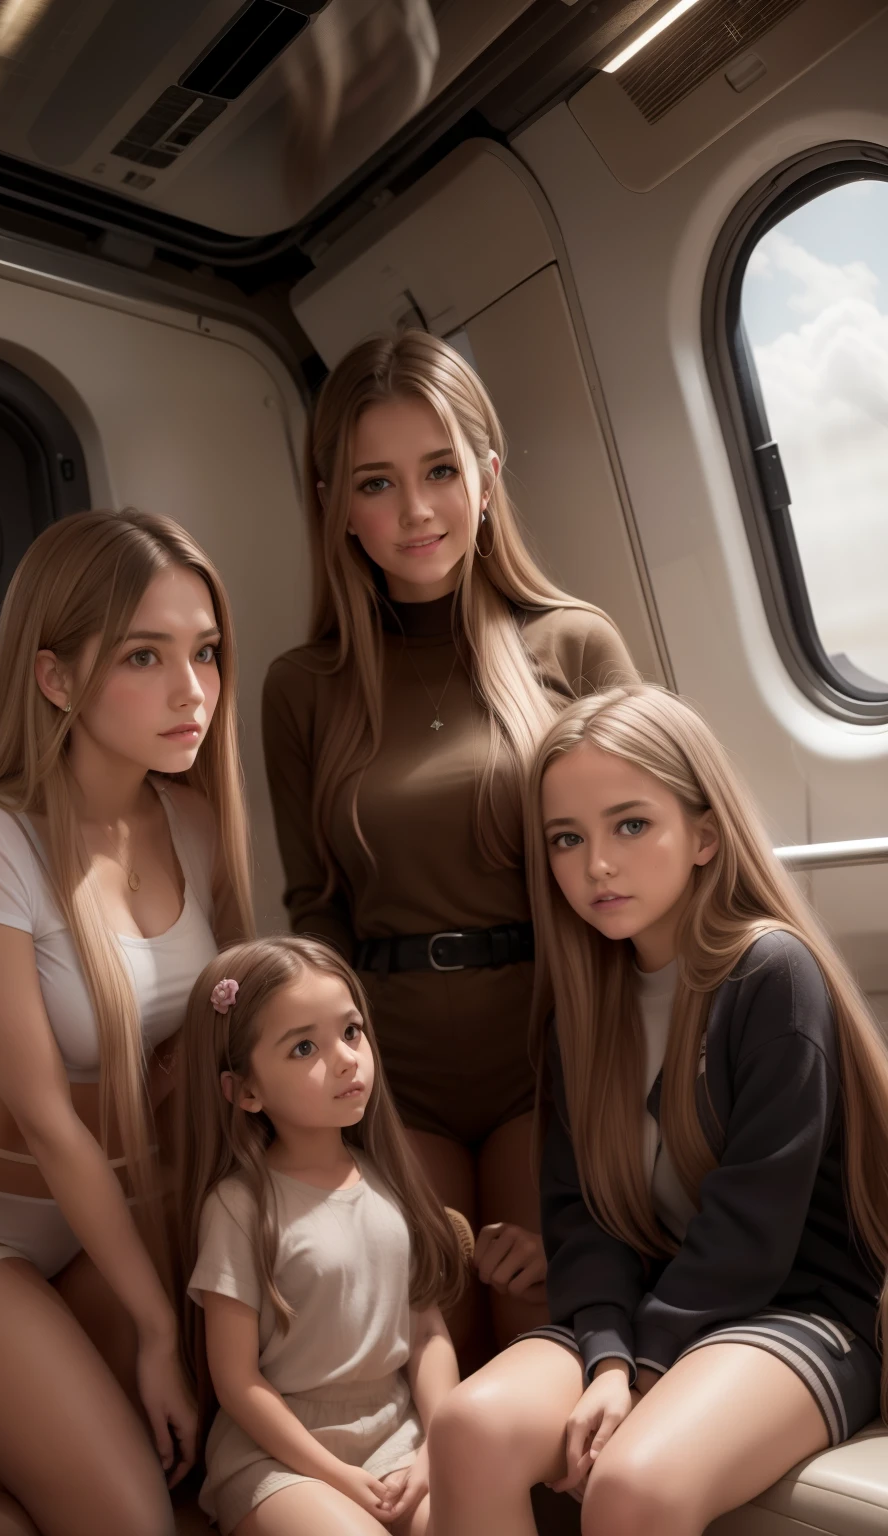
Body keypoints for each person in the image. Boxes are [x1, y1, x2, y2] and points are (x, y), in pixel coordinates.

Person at [0, 509, 253, 1536]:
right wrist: (157, 1332)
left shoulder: (195, 823)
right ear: (55, 679)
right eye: (144, 656)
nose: (192, 691)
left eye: (205, 653)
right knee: (131, 1524)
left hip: (97, 1220)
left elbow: (201, 1043)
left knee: (189, 1479)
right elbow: (48, 1120)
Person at [427, 684, 888, 1536]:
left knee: (632, 1487)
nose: (596, 864)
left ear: (704, 835)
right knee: (466, 1430)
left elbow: (752, 1229)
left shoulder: (770, 976)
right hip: (646, 1302)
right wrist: (608, 1356)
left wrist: (636, 1369)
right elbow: (585, 1222)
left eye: (630, 825)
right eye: (567, 839)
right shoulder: (586, 1004)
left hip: (800, 1309)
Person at [262, 329, 639, 1360]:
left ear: (487, 474)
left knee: (544, 1339)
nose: (416, 510)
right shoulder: (303, 688)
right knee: (434, 1351)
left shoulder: (573, 642)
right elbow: (315, 908)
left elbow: (642, 873)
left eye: (439, 470)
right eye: (377, 483)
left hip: (546, 1053)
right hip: (390, 1068)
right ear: (335, 502)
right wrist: (338, 1091)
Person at [175, 935, 466, 1536]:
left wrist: (439, 1443)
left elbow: (427, 1331)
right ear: (245, 1091)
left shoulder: (389, 1179)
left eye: (352, 1032)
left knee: (471, 1519)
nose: (344, 1059)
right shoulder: (238, 1207)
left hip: (398, 1434)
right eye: (304, 1046)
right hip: (280, 1457)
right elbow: (236, 1380)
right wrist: (333, 1473)